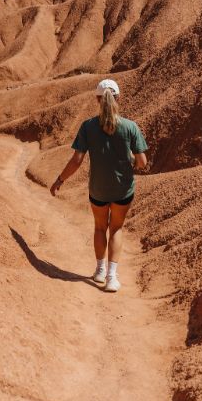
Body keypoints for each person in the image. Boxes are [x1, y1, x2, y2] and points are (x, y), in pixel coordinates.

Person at [50, 79, 148, 292]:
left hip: (98, 190)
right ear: (119, 98)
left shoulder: (88, 127)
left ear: (97, 99)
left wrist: (59, 181)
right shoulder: (131, 127)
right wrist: (129, 158)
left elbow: (76, 161)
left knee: (99, 227)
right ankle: (112, 278)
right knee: (116, 229)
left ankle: (99, 270)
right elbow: (142, 163)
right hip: (123, 190)